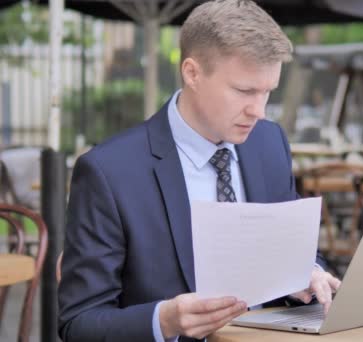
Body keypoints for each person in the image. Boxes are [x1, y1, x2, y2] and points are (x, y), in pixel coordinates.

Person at [57, 1, 341, 341]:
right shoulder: (108, 172)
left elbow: (294, 251)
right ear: (192, 73)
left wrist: (308, 273)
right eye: (244, 91)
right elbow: (79, 324)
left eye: (268, 92)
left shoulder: (269, 144)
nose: (259, 112)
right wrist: (164, 321)